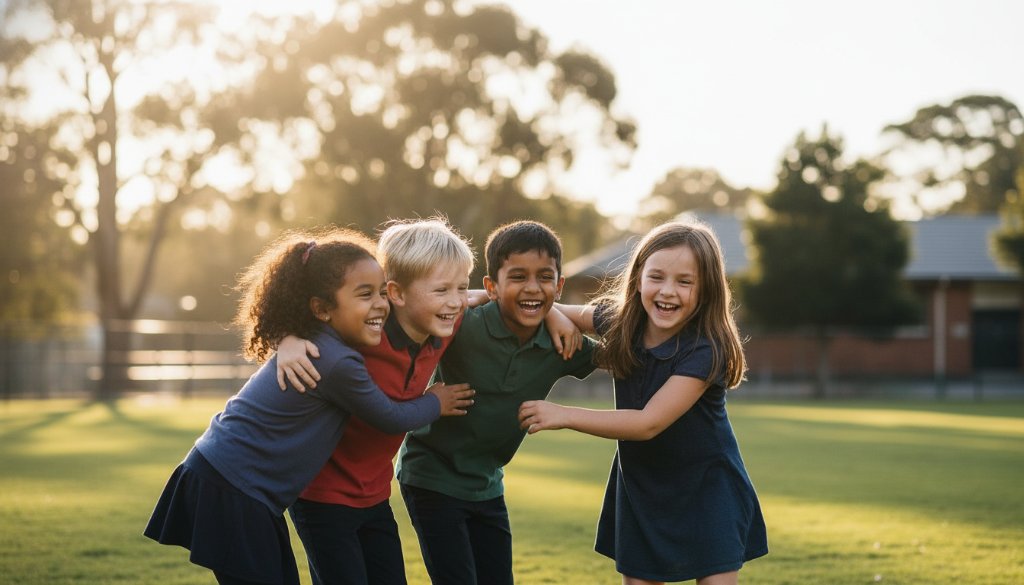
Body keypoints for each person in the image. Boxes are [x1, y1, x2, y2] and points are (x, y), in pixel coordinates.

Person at [143, 228, 473, 585]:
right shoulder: (333, 359)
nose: (381, 304)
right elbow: (389, 416)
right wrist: (435, 401)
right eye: (366, 294)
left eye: (380, 293)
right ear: (321, 308)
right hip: (230, 486)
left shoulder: (328, 340)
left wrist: (493, 296)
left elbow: (449, 297)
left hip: (238, 485)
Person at [517, 219, 768, 585]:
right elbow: (537, 307)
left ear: (707, 290)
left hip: (706, 490)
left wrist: (564, 414)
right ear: (637, 279)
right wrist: (551, 313)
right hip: (642, 486)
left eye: (685, 281)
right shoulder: (621, 323)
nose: (668, 291)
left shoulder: (704, 349)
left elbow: (648, 423)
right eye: (657, 277)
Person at [395, 220, 598, 585]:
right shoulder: (464, 325)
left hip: (487, 484)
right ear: (492, 286)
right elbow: (412, 308)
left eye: (544, 278)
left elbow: (627, 355)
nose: (532, 288)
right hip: (431, 475)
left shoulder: (562, 342)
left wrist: (562, 313)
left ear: (560, 285)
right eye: (518, 276)